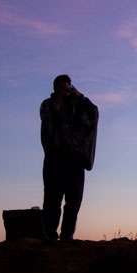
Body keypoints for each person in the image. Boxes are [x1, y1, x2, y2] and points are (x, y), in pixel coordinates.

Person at [40, 75, 98, 242]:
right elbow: (49, 119)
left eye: (68, 88)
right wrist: (59, 101)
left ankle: (67, 235)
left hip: (75, 159)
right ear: (55, 88)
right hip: (54, 159)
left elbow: (93, 113)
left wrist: (80, 96)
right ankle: (50, 235)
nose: (66, 91)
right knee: (52, 200)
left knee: (73, 201)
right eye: (62, 88)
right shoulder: (48, 104)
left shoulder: (79, 105)